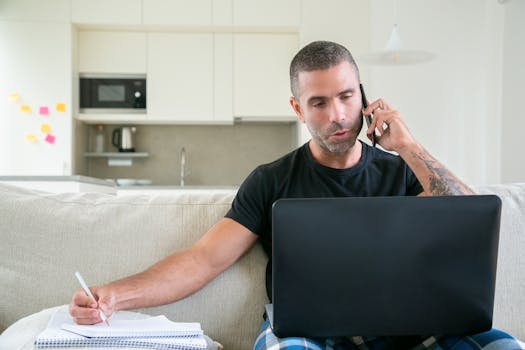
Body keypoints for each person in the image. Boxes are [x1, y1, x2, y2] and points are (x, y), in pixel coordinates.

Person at [70, 41, 524, 350]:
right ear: (297, 108)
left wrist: (409, 146)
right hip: (309, 334)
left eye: (347, 97)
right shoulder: (271, 180)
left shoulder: (403, 170)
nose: (338, 115)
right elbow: (202, 260)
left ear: (364, 98)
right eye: (319, 102)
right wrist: (112, 296)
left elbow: (468, 220)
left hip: (411, 330)